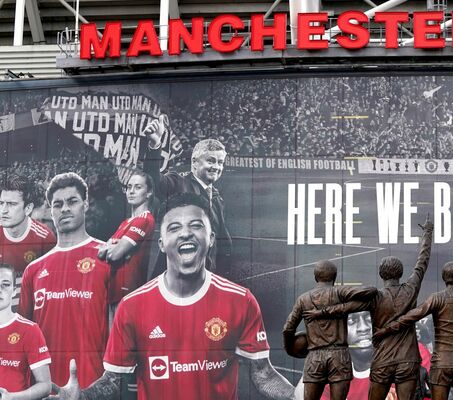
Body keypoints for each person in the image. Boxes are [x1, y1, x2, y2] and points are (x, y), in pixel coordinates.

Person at [51, 192, 295, 399]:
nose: (185, 234)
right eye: (174, 227)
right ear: (161, 242)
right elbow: (113, 380)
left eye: (196, 225)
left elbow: (263, 375)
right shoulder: (132, 306)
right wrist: (81, 396)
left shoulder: (240, 300)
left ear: (210, 239)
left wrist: (297, 396)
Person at [305, 218, 434, 400]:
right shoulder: (410, 290)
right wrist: (428, 233)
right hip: (407, 361)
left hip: (383, 362)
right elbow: (422, 262)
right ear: (400, 273)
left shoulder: (375, 298)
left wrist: (320, 312)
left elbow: (345, 308)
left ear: (381, 275)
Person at [18, 172, 111, 389]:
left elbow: (118, 332)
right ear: (51, 211)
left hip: (92, 387)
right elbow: (23, 340)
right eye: (58, 204)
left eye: (72, 202)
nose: (65, 209)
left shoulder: (106, 257)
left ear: (85, 205)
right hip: (44, 390)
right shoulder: (34, 270)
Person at [373, 262, 453, 400]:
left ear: (444, 278)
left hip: (441, 364)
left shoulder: (437, 298)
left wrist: (385, 330)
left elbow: (410, 317)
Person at [143, 118, 232, 271]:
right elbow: (153, 181)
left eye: (220, 162)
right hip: (175, 276)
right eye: (211, 161)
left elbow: (223, 241)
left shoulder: (217, 198)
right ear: (195, 162)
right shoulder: (178, 182)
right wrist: (155, 145)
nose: (216, 167)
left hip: (203, 277)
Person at [283, 260, 378, 400]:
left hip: (315, 356)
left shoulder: (303, 299)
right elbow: (371, 291)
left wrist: (290, 349)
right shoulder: (340, 293)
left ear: (316, 277)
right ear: (334, 277)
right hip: (339, 355)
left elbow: (287, 329)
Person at [97, 170, 156, 314]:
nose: (131, 191)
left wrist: (112, 247)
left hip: (128, 292)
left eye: (138, 187)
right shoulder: (125, 222)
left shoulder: (144, 219)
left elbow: (114, 255)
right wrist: (114, 247)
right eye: (129, 187)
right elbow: (100, 253)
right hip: (113, 291)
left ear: (148, 192)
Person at [0, 174, 56, 309]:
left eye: (12, 204)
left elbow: (49, 286)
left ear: (28, 208)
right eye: (1, 203)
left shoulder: (45, 238)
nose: (3, 210)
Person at [0, 263, 52, 399]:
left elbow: (45, 385)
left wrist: (12, 397)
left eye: (5, 284)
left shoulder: (29, 330)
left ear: (14, 290)